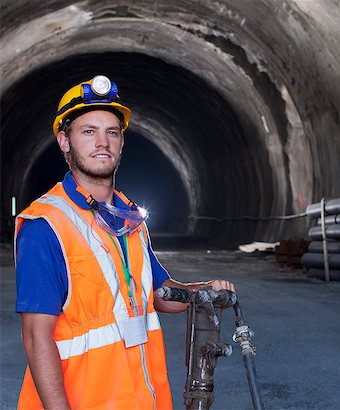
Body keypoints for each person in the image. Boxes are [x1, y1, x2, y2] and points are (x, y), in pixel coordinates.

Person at [14, 75, 235, 410]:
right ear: (64, 141)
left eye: (112, 132)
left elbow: (159, 294)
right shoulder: (45, 226)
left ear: (121, 143)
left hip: (140, 397)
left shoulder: (128, 218)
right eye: (89, 131)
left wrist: (204, 291)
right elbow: (35, 336)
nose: (102, 141)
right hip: (83, 400)